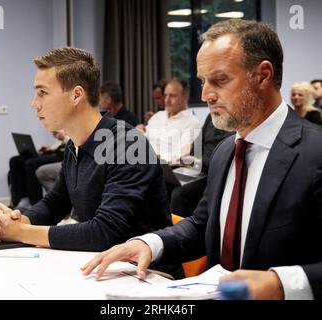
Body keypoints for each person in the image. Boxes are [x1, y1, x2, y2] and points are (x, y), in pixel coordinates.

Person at [82, 19, 322, 300]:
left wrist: (280, 284)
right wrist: (149, 243)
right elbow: (202, 225)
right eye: (202, 82)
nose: (206, 95)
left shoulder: (314, 152)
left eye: (220, 80)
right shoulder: (225, 151)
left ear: (263, 75)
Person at [0, 47, 183, 279]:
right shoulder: (75, 144)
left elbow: (104, 232)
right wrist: (14, 221)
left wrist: (21, 232)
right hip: (106, 266)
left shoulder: (128, 144)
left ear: (77, 95)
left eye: (42, 93)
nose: (34, 104)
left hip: (148, 276)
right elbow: (55, 203)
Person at [170, 113, 233, 217]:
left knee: (179, 194)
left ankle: (180, 230)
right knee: (168, 181)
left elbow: (223, 159)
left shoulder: (234, 123)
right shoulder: (211, 116)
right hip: (198, 167)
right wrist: (188, 149)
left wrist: (195, 161)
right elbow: (199, 140)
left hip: (213, 171)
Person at [137, 78, 201, 164]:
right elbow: (141, 139)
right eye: (165, 95)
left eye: (172, 96)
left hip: (166, 170)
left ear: (185, 97)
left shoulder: (192, 123)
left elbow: (180, 157)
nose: (167, 100)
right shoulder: (158, 116)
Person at [8, 130, 68, 208]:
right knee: (15, 160)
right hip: (58, 151)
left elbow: (73, 144)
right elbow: (61, 145)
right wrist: (51, 148)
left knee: (31, 164)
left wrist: (64, 137)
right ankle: (24, 198)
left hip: (65, 154)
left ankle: (35, 203)